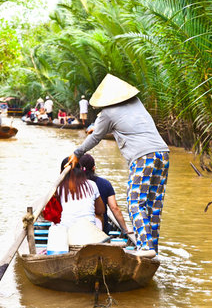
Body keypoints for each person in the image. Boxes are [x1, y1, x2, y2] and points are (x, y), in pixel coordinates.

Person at [68, 74, 169, 256]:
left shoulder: (107, 113)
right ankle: (152, 248)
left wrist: (77, 153)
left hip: (142, 156)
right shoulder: (136, 102)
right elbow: (125, 123)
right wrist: (98, 127)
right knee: (154, 204)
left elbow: (96, 137)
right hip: (162, 153)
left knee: (135, 201)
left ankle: (145, 248)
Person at [79, 153, 131, 235]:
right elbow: (114, 208)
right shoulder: (105, 184)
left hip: (77, 227)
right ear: (94, 168)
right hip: (101, 229)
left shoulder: (72, 185)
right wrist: (125, 229)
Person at [57, 158, 105, 229]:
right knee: (99, 217)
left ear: (61, 172)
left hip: (66, 227)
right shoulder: (92, 184)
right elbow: (101, 210)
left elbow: (54, 212)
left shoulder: (59, 188)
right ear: (81, 170)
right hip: (89, 228)